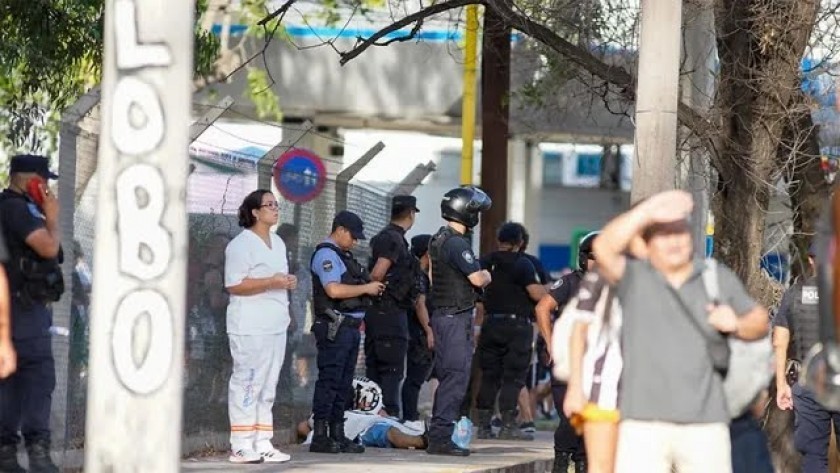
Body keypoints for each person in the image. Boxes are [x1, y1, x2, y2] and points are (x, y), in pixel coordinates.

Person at [593, 190, 769, 473]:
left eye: (680, 232)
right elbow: (604, 247)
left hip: (706, 422)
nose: (674, 241)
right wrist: (650, 208)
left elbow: (760, 322)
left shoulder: (714, 277)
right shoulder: (636, 278)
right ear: (645, 243)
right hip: (642, 421)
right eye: (664, 234)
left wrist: (736, 324)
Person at [0, 154, 63, 473]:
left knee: (10, 385)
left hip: (18, 311)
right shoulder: (17, 208)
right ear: (33, 181)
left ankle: (8, 456)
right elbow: (49, 249)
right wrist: (52, 215)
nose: (49, 188)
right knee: (38, 379)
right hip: (22, 312)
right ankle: (38, 456)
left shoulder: (14, 207)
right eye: (45, 181)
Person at [223, 189, 296, 464]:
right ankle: (240, 444)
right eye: (269, 205)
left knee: (268, 385)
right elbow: (234, 284)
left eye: (276, 205)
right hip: (249, 326)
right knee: (248, 382)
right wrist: (271, 282)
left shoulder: (277, 242)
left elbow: (278, 279)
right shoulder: (240, 245)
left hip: (275, 324)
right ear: (255, 212)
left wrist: (286, 283)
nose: (275, 209)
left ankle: (262, 441)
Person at [309, 211, 385, 454]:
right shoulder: (326, 255)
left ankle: (338, 433)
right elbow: (332, 290)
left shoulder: (344, 255)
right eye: (352, 236)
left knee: (343, 384)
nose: (355, 241)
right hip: (335, 327)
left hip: (349, 328)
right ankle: (320, 435)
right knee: (330, 381)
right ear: (340, 230)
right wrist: (368, 288)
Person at [426, 186, 492, 457]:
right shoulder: (455, 243)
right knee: (455, 377)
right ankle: (441, 438)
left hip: (445, 315)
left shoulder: (438, 239)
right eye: (475, 211)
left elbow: (433, 278)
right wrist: (487, 274)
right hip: (454, 318)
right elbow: (477, 279)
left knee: (449, 376)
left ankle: (439, 434)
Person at [474, 222, 547, 441]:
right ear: (520, 242)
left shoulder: (486, 261)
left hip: (491, 324)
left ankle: (484, 426)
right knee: (513, 378)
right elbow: (536, 294)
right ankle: (508, 426)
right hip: (517, 328)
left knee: (489, 376)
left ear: (500, 241)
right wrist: (554, 289)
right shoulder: (523, 264)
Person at [535, 231, 598, 473]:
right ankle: (561, 462)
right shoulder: (570, 282)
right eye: (594, 257)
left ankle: (582, 463)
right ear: (583, 258)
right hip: (568, 361)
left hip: (596, 364)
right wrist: (550, 342)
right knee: (570, 415)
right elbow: (543, 308)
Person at [775, 243, 831, 473]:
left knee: (813, 456)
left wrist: (781, 384)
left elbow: (780, 339)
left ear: (811, 260)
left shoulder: (796, 294)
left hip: (809, 385)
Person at [366, 195, 420, 417]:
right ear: (410, 214)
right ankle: (389, 417)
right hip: (388, 312)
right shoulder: (394, 239)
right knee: (391, 370)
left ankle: (373, 414)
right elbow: (378, 273)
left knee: (377, 369)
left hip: (379, 312)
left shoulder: (386, 236)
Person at [299, 377, 428, 450]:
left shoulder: (330, 415)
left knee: (394, 429)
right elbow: (303, 427)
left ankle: (424, 439)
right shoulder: (348, 416)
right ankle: (423, 441)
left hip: (371, 425)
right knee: (391, 432)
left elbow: (304, 427)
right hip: (368, 428)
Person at [401, 234, 435, 431]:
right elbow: (419, 303)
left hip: (415, 331)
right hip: (418, 332)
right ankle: (410, 417)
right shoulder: (419, 276)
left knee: (416, 377)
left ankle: (410, 416)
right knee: (414, 378)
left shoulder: (420, 274)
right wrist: (429, 330)